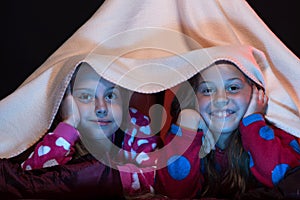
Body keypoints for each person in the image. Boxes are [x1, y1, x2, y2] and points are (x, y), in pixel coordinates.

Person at [1, 62, 162, 199]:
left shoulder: (137, 128)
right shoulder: (59, 137)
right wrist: (69, 124)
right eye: (86, 96)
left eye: (110, 96)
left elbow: (151, 179)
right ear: (66, 103)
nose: (101, 108)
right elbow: (32, 182)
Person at [154, 60, 300, 199]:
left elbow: (287, 182)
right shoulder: (188, 138)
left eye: (233, 88)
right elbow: (172, 193)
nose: (220, 99)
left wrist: (254, 123)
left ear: (257, 93)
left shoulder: (279, 137)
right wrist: (187, 122)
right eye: (207, 90)